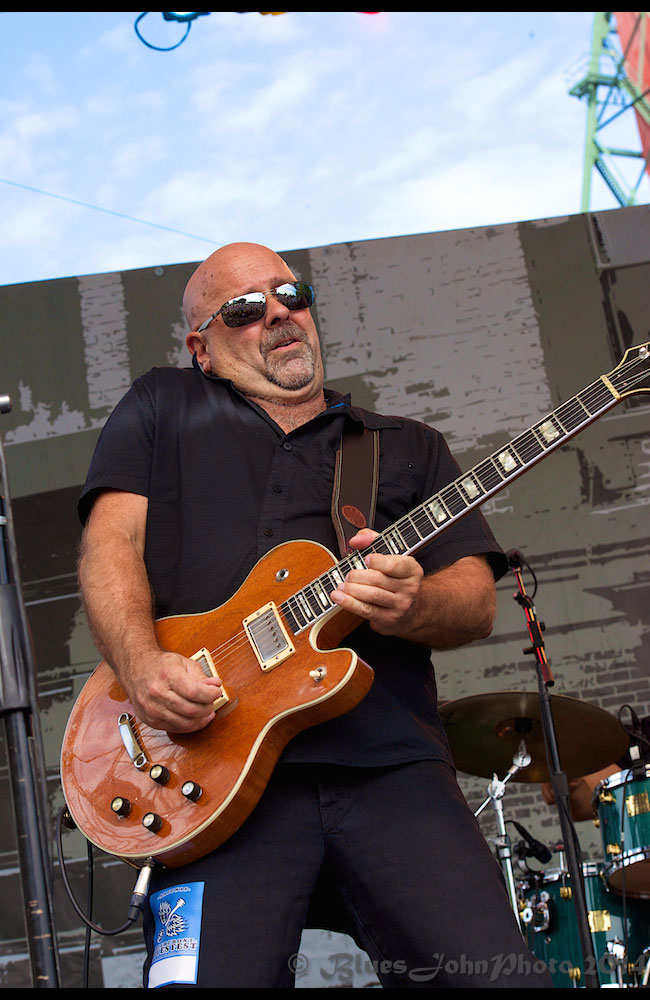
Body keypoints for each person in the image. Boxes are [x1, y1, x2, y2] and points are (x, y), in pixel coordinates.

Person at [77, 242, 550, 988]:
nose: (277, 313)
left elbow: (474, 600)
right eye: (245, 308)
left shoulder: (406, 446)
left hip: (389, 766)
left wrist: (414, 602)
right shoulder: (163, 405)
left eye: (291, 294)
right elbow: (110, 545)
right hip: (208, 775)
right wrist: (140, 668)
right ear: (202, 349)